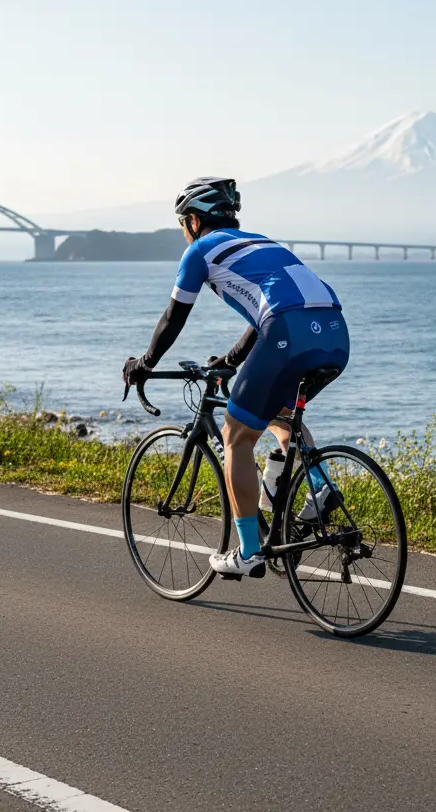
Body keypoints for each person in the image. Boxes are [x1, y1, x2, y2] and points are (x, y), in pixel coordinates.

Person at [123, 176, 350, 578]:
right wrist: (231, 358)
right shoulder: (265, 243)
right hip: (334, 332)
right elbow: (268, 310)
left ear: (193, 221)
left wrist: (145, 362)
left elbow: (174, 317)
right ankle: (318, 487)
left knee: (235, 436)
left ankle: (248, 552)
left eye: (182, 223)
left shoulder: (199, 252)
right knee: (281, 413)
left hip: (287, 333)